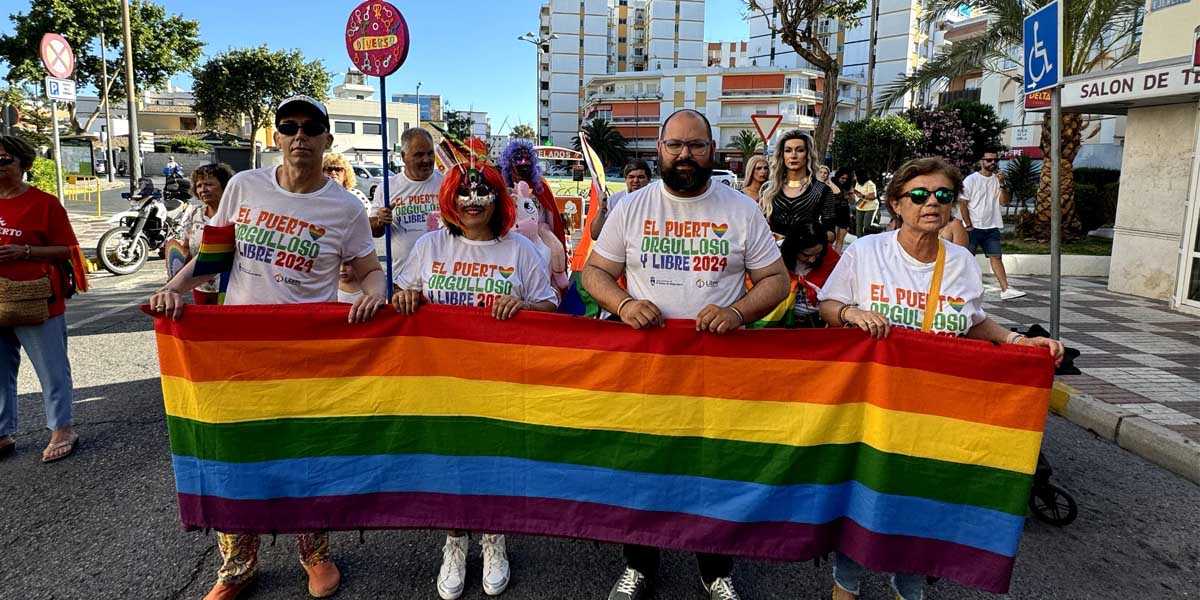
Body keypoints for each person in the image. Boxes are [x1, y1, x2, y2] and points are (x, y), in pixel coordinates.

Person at [149, 95, 387, 600]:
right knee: (236, 454)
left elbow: (367, 269)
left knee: (305, 455)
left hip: (308, 355)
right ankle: (236, 566)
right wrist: (174, 289)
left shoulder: (346, 207)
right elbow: (214, 259)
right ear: (277, 137)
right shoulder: (243, 186)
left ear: (327, 139)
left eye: (310, 128)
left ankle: (314, 553)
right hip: (237, 349)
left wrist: (375, 296)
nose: (299, 136)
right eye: (289, 127)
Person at [817, 157, 1064, 600]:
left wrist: (1015, 341)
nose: (931, 203)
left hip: (935, 411)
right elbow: (828, 306)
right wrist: (852, 312)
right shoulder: (866, 252)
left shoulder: (962, 262)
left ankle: (909, 586)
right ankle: (846, 584)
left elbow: (971, 322)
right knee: (864, 496)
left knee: (922, 500)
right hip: (872, 407)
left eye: (943, 195)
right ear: (897, 203)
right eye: (919, 195)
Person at [583, 108, 790, 600]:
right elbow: (593, 273)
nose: (684, 155)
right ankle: (638, 565)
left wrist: (738, 313)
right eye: (675, 145)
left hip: (712, 366)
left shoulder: (740, 209)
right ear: (658, 149)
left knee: (711, 468)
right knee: (642, 466)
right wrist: (624, 302)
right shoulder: (632, 207)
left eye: (695, 145)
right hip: (644, 366)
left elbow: (776, 281)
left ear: (711, 150)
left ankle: (716, 571)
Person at [392, 163, 557, 600]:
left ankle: (493, 537)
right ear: (450, 197)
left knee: (494, 459)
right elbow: (402, 296)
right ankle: (455, 541)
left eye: (483, 191)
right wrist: (404, 296)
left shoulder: (519, 249)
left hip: (500, 381)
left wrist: (523, 305)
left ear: (498, 198)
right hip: (441, 380)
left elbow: (550, 307)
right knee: (449, 461)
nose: (473, 200)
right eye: (463, 192)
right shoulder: (429, 246)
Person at [0, 135, 85, 463]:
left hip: (36, 297)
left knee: (51, 367)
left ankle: (62, 428)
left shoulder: (44, 203)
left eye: (5, 159)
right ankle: (3, 432)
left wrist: (25, 251)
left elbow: (70, 250)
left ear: (24, 164)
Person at [372, 127, 443, 276]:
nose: (427, 160)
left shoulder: (446, 184)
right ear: (403, 156)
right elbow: (374, 231)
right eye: (419, 155)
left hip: (438, 274)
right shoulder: (387, 188)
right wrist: (380, 220)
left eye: (430, 153)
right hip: (401, 276)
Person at [498, 140, 568, 291]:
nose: (524, 163)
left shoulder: (540, 185)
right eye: (518, 159)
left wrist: (558, 222)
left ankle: (557, 277)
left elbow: (551, 211)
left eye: (527, 159)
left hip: (540, 232)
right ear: (510, 163)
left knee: (555, 248)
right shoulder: (503, 187)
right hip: (513, 232)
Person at [961, 151, 1025, 299]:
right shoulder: (971, 180)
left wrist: (1002, 184)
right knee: (966, 259)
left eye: (995, 160)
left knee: (996, 257)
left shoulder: (997, 180)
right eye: (989, 160)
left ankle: (1005, 289)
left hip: (991, 226)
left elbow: (1004, 202)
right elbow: (963, 203)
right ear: (981, 161)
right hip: (973, 228)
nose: (992, 163)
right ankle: (961, 289)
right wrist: (968, 224)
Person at [758, 130, 842, 240]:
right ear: (782, 155)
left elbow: (831, 234)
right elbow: (758, 229)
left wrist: (810, 236)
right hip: (772, 254)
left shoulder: (822, 190)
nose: (793, 155)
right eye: (788, 150)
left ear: (808, 154)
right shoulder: (769, 189)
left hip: (807, 255)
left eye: (800, 150)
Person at [178, 163, 235, 305]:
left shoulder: (236, 215)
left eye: (209, 184)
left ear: (224, 186)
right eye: (199, 186)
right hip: (200, 286)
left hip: (229, 286)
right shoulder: (194, 214)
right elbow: (186, 247)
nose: (203, 190)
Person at [780, 221, 840, 328]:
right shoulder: (776, 258)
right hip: (782, 321)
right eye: (806, 255)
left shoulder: (832, 260)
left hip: (818, 322)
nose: (812, 260)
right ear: (793, 248)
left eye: (818, 254)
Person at [589, 159, 651, 240]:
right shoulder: (614, 200)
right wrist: (602, 209)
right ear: (625, 179)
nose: (636, 181)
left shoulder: (655, 200)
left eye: (640, 177)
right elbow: (595, 235)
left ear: (649, 180)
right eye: (631, 177)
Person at [851, 168, 878, 238]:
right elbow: (856, 193)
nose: (854, 177)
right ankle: (859, 242)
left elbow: (873, 196)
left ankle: (878, 232)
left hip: (870, 207)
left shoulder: (870, 184)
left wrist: (862, 195)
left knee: (867, 225)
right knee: (858, 227)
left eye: (856, 176)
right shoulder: (857, 183)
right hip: (860, 206)